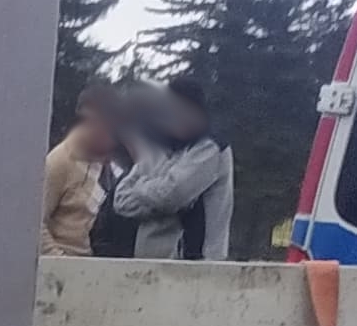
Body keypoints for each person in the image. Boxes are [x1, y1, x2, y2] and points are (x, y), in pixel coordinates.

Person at [99, 75, 234, 260]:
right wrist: (158, 198)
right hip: (149, 265)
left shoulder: (209, 148)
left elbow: (171, 196)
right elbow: (120, 200)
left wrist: (143, 189)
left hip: (195, 265)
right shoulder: (162, 146)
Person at [40, 88, 118, 256]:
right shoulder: (59, 162)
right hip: (66, 268)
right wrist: (60, 262)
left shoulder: (111, 164)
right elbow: (35, 223)